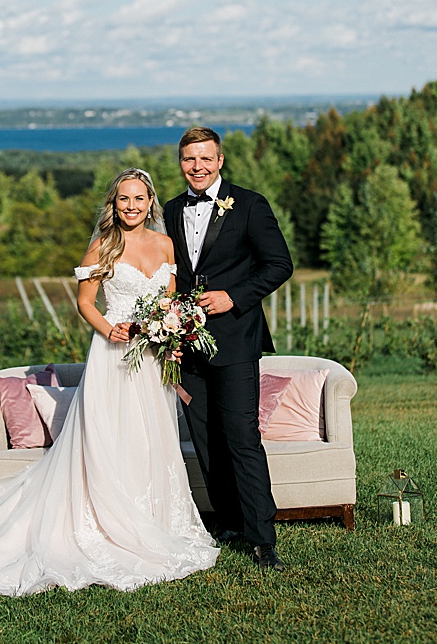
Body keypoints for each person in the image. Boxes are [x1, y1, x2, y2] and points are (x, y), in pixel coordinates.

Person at [0, 167, 218, 599]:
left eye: (139, 199)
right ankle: (106, 524)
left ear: (150, 203)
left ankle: (155, 520)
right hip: (114, 358)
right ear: (114, 203)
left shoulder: (165, 245)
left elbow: (168, 301)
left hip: (152, 360)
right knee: (110, 438)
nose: (131, 206)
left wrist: (173, 334)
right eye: (123, 199)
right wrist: (110, 331)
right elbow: (86, 302)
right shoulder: (101, 248)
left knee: (150, 439)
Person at [165, 126, 293, 573]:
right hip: (188, 344)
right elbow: (172, 278)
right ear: (180, 163)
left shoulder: (251, 205)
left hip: (237, 340)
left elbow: (280, 265)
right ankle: (230, 522)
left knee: (241, 438)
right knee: (205, 439)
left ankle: (263, 539)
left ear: (220, 161)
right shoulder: (169, 210)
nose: (197, 167)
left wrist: (232, 297)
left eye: (205, 158)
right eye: (188, 159)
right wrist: (168, 335)